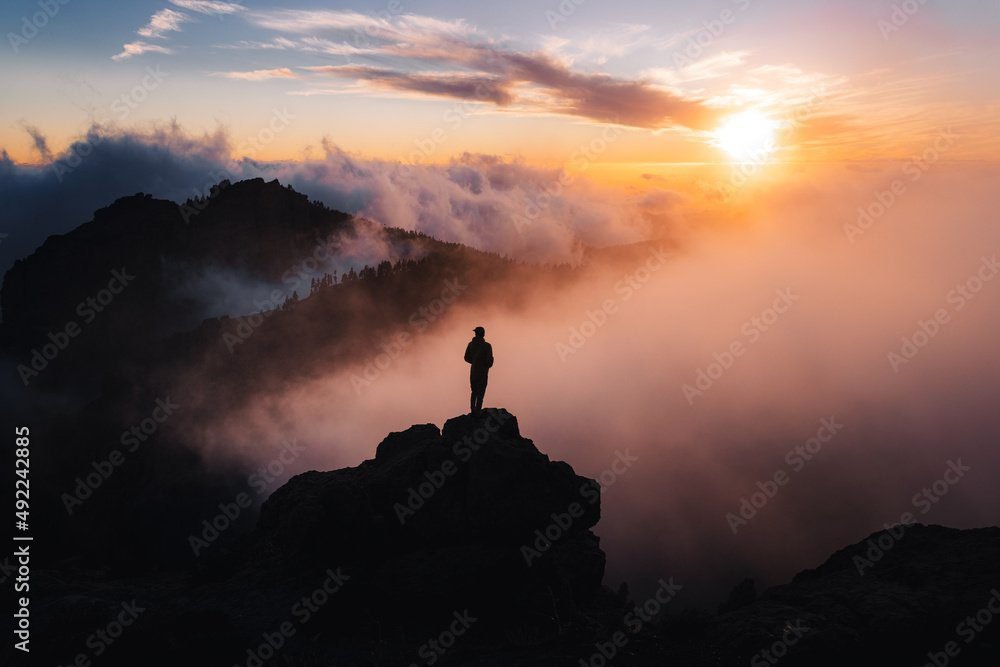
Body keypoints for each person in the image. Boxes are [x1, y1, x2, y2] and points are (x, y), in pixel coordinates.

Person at [464, 326, 493, 416]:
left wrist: (474, 362)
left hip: (473, 371)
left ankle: (473, 410)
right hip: (483, 372)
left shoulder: (470, 344)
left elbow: (466, 358)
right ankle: (478, 411)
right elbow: (489, 361)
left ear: (476, 333)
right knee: (481, 392)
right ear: (483, 334)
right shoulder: (487, 346)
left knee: (474, 391)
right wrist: (486, 364)